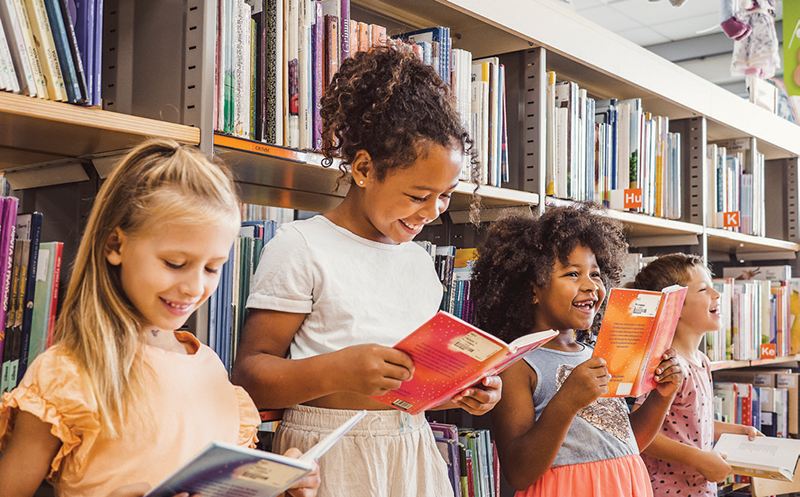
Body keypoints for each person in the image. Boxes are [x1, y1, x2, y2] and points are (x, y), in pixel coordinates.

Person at [231, 44, 501, 497]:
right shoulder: (302, 247)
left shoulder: (419, 263)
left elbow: (414, 380)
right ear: (363, 169)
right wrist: (339, 371)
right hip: (328, 455)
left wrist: (457, 390)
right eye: (418, 195)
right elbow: (250, 377)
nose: (432, 211)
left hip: (412, 450)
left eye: (446, 195)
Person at [0, 139, 319, 497]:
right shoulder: (67, 374)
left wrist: (280, 484)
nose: (194, 287)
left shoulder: (210, 369)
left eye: (213, 268)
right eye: (175, 264)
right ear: (115, 246)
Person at [470, 205, 683, 497]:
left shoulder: (598, 351)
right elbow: (518, 472)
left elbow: (627, 441)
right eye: (572, 274)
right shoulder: (518, 363)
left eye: (595, 275)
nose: (590, 286)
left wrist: (662, 395)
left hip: (626, 485)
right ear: (532, 289)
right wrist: (567, 401)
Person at [632, 253, 760, 497]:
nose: (717, 294)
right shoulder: (668, 366)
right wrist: (700, 460)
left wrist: (738, 431)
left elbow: (691, 422)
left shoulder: (701, 361)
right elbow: (642, 432)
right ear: (675, 306)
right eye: (703, 290)